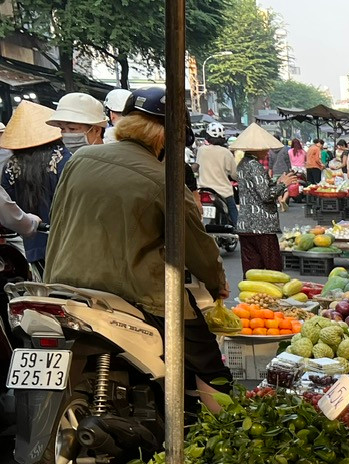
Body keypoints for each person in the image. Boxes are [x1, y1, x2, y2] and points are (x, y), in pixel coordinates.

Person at [43, 87, 231, 408]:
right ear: (168, 137)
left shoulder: (81, 160)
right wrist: (217, 287)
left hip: (61, 286)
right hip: (133, 295)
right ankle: (227, 435)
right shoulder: (166, 180)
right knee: (206, 357)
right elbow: (198, 250)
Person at [0, 102, 68, 269]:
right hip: (67, 241)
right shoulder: (65, 158)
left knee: (44, 292)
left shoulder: (11, 165)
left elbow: (8, 203)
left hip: (34, 244)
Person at [231, 123, 297, 274]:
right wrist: (283, 185)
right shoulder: (255, 165)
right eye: (265, 148)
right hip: (262, 226)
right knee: (273, 269)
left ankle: (251, 297)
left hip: (245, 225)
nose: (268, 151)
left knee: (252, 271)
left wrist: (278, 182)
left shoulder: (242, 164)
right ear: (256, 148)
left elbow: (257, 188)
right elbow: (266, 195)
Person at [196, 121, 239, 227]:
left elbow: (197, 167)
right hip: (223, 192)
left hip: (203, 190)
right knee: (234, 214)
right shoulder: (226, 152)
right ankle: (239, 232)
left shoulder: (200, 150)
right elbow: (234, 174)